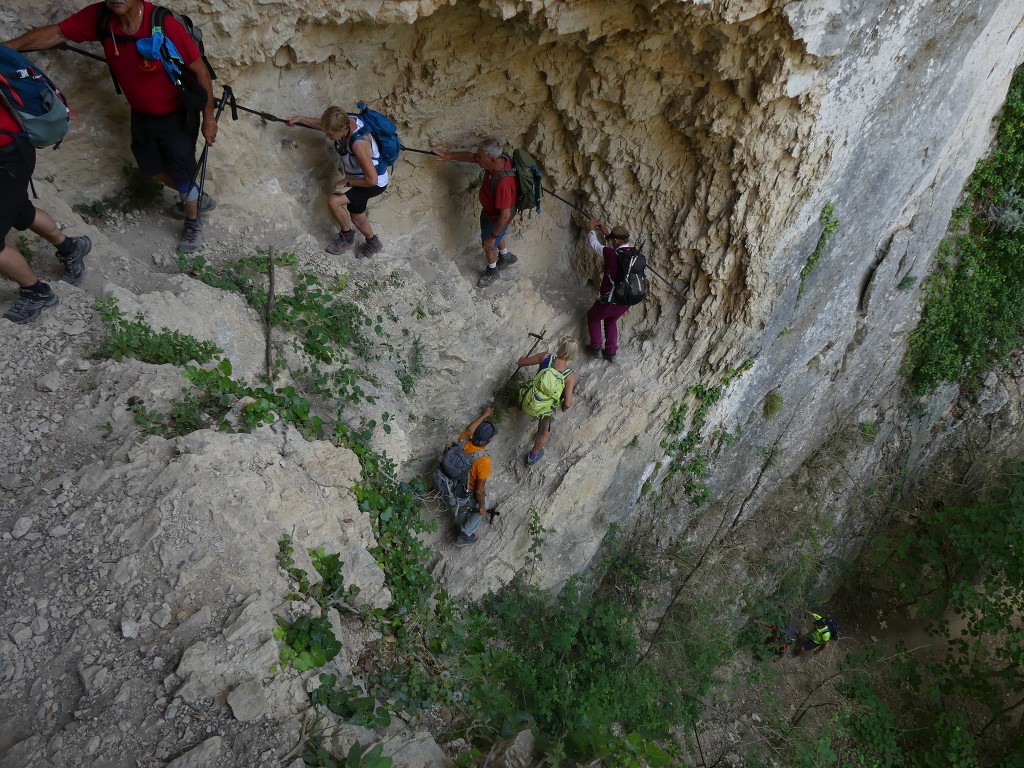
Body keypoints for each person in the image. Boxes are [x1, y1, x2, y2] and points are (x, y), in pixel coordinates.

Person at [5, 0, 217, 253]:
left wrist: (209, 119)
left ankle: (193, 222)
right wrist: (8, 50)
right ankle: (193, 193)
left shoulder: (162, 22)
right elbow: (57, 33)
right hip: (142, 113)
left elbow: (200, 72)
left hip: (177, 113)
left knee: (182, 169)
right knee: (151, 169)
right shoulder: (101, 17)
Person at [1, 100, 91, 324]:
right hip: (14, 151)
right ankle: (71, 248)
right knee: (21, 211)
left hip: (7, 159)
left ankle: (37, 293)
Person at [286, 107, 388, 258]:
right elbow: (324, 125)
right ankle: (373, 243)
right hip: (361, 179)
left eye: (330, 134)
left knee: (334, 201)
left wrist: (348, 182)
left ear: (343, 129)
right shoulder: (344, 121)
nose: (327, 136)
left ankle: (347, 237)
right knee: (357, 216)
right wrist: (301, 119)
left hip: (372, 183)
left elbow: (371, 180)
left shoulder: (359, 145)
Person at [432, 139, 518, 288]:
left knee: (488, 245)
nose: (477, 158)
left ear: (490, 158)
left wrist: (492, 237)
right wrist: (448, 156)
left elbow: (504, 215)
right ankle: (506, 256)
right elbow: (470, 156)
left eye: (480, 156)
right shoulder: (497, 161)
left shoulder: (504, 183)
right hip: (490, 213)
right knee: (494, 238)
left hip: (497, 218)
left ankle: (492, 271)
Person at [434, 405, 497, 548]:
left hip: (447, 482)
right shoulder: (483, 460)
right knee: (482, 503)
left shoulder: (464, 440)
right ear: (488, 442)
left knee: (465, 505)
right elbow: (479, 491)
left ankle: (461, 527)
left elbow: (470, 428)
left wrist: (484, 415)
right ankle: (465, 535)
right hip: (462, 492)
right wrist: (482, 507)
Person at [517, 336, 577, 466]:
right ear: (573, 354)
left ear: (559, 347)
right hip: (544, 408)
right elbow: (567, 403)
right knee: (544, 432)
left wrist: (521, 359)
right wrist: (562, 407)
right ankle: (533, 456)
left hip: (529, 398)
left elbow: (521, 363)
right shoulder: (569, 376)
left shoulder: (545, 357)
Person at [585, 218, 634, 363]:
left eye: (613, 238)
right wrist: (608, 235)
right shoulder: (633, 253)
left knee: (593, 317)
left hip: (610, 300)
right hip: (626, 300)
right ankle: (611, 353)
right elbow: (615, 249)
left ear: (617, 241)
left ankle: (596, 349)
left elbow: (594, 244)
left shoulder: (611, 254)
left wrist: (591, 229)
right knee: (611, 321)